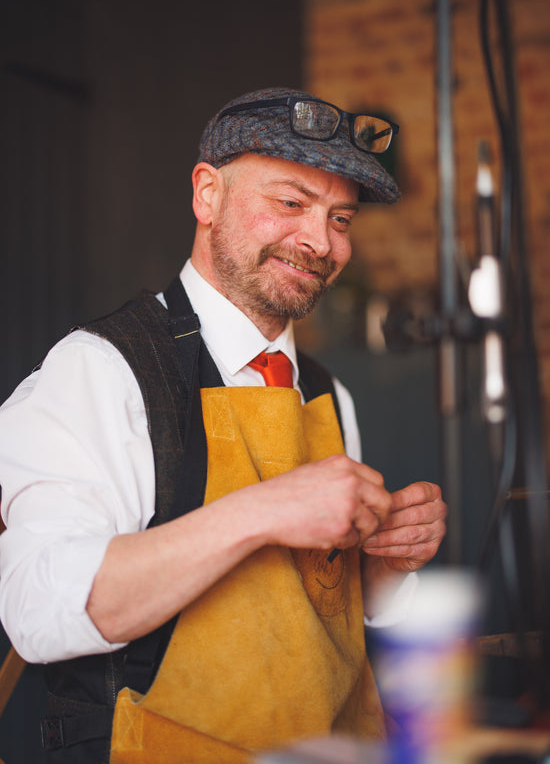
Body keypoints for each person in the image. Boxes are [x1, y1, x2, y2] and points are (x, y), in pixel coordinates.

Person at [0, 87, 447, 763]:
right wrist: (262, 510)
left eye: (341, 218)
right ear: (207, 195)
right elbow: (38, 611)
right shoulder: (100, 370)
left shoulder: (328, 393)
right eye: (291, 203)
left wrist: (382, 568)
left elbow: (311, 627)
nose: (319, 241)